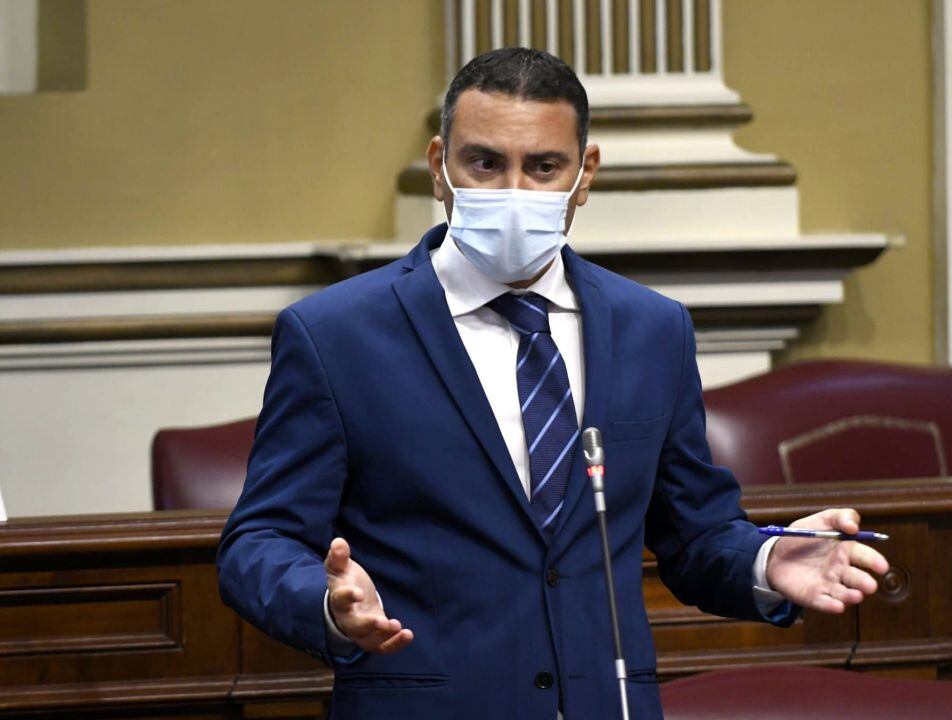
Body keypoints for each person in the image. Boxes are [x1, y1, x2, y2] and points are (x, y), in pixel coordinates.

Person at [217, 47, 888, 720]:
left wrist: (766, 561)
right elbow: (258, 541)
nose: (514, 192)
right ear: (438, 167)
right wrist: (324, 603)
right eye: (484, 163)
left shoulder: (652, 329)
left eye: (543, 167)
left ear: (584, 173)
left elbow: (694, 535)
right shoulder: (335, 335)